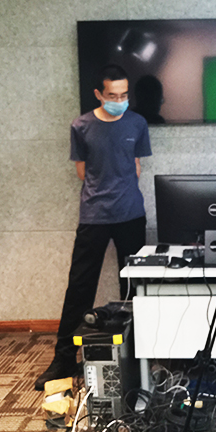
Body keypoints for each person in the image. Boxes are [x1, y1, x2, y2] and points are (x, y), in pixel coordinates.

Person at [34, 64, 152, 391]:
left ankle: (138, 355)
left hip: (131, 214)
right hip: (94, 215)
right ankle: (62, 359)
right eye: (113, 95)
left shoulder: (137, 123)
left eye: (124, 95)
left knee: (135, 287)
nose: (120, 100)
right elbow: (82, 172)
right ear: (99, 94)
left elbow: (136, 166)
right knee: (79, 288)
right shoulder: (81, 126)